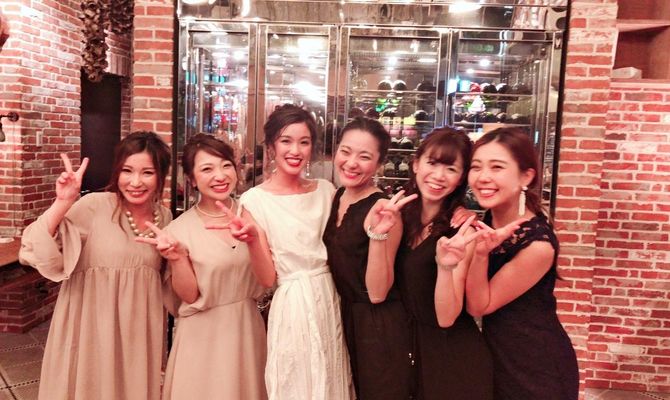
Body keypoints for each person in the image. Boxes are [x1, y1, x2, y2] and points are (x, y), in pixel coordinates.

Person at [19, 131, 171, 400]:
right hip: (88, 328)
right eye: (127, 171)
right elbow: (33, 250)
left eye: (147, 172)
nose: (136, 182)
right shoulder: (94, 207)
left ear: (161, 176)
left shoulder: (164, 217)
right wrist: (62, 202)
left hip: (136, 333)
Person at [224, 104, 354, 399]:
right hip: (292, 303)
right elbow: (267, 279)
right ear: (271, 147)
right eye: (286, 141)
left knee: (331, 377)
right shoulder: (255, 200)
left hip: (331, 297)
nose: (295, 150)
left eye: (303, 142)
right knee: (295, 382)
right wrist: (252, 241)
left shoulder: (327, 191)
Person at [136, 134, 267, 400]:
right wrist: (177, 258)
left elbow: (268, 277)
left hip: (247, 330)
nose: (220, 175)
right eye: (207, 169)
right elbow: (189, 296)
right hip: (201, 336)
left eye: (226, 165)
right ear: (192, 180)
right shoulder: (179, 229)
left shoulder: (255, 214)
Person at [465, 127, 579, 400]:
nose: (483, 177)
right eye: (476, 167)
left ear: (526, 176)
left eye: (497, 167)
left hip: (534, 366)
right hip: (498, 357)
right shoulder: (489, 219)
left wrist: (479, 255)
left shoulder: (537, 245)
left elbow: (479, 305)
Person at [395, 127, 494, 400]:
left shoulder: (463, 232)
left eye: (451, 169)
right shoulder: (397, 216)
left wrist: (445, 266)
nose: (439, 176)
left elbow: (448, 317)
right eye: (432, 163)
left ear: (461, 178)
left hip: (451, 357)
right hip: (406, 350)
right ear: (416, 164)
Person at [322, 117, 417, 399]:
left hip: (377, 327)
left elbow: (378, 292)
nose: (351, 163)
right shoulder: (338, 196)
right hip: (344, 316)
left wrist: (377, 234)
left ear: (379, 164)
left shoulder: (383, 209)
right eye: (345, 151)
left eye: (364, 157)